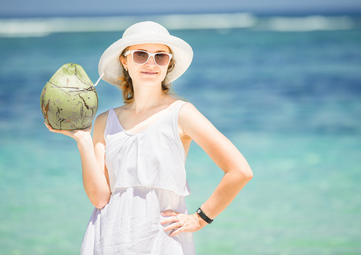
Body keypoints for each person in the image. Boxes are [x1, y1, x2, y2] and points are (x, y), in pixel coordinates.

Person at [45, 21, 253, 254]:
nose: (151, 63)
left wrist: (200, 218)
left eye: (160, 57)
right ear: (124, 60)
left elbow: (240, 171)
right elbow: (100, 199)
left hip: (160, 242)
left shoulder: (181, 114)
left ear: (169, 64)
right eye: (140, 55)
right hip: (107, 240)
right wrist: (83, 140)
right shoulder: (105, 120)